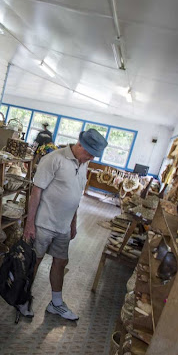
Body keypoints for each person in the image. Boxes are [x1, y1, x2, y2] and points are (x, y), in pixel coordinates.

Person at [21, 129, 108, 320]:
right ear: (80, 145)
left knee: (60, 262)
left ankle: (56, 303)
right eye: (90, 153)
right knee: (34, 261)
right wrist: (29, 224)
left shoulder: (83, 163)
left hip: (63, 226)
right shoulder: (54, 159)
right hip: (43, 223)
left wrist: (73, 222)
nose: (91, 158)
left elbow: (76, 195)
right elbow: (36, 192)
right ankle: (23, 298)